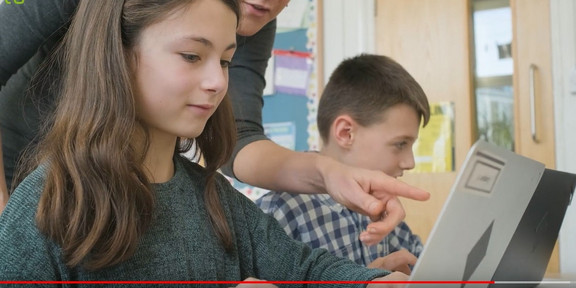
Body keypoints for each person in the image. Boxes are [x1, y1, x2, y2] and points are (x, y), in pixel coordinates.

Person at [0, 1, 410, 286]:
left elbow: (303, 270)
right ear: (119, 56)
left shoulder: (217, 201)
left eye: (226, 61)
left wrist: (371, 282)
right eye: (192, 56)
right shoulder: (41, 209)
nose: (218, 82)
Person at [257, 54, 430, 275]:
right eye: (400, 144)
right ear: (346, 133)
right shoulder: (279, 214)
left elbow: (424, 262)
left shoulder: (383, 212)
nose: (410, 162)